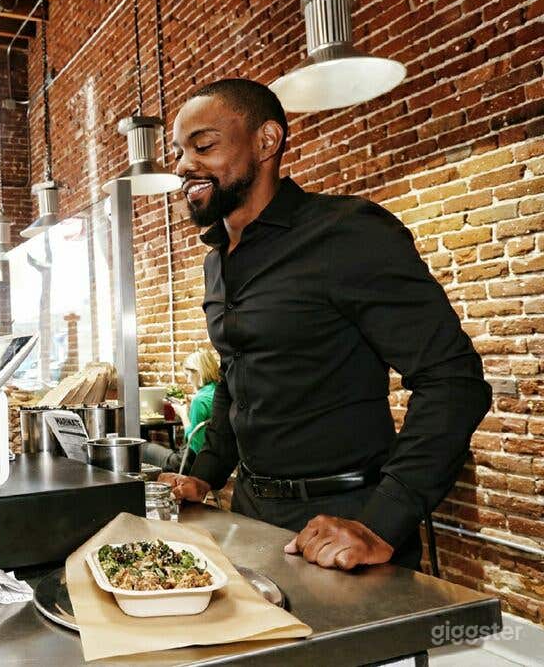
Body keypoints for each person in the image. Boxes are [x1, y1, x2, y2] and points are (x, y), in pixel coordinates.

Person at [159, 79, 491, 572]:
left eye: (203, 146)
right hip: (251, 514)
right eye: (179, 152)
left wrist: (382, 522)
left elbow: (454, 381)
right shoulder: (217, 261)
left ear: (266, 142)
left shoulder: (347, 233)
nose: (185, 165)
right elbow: (236, 377)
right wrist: (204, 473)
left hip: (348, 523)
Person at [142, 349, 220, 472]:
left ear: (198, 373)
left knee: (141, 448)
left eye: (187, 375)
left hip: (188, 462)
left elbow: (195, 443)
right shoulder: (218, 393)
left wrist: (183, 414)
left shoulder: (199, 400)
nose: (188, 380)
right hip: (215, 459)